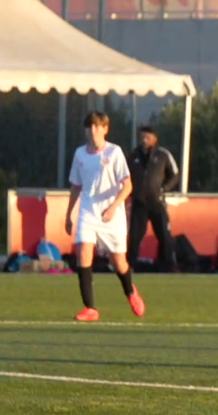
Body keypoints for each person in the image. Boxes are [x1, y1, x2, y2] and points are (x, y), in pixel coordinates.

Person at [66, 112, 144, 322]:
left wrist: (113, 207)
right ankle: (90, 308)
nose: (93, 130)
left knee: (118, 261)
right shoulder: (80, 154)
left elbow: (128, 186)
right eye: (89, 126)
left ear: (105, 129)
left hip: (112, 215)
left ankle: (130, 291)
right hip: (88, 211)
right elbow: (76, 186)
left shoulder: (114, 152)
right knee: (83, 253)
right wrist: (69, 214)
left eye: (97, 126)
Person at [126, 125, 180, 272]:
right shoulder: (133, 156)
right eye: (142, 137)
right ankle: (130, 267)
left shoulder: (163, 155)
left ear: (155, 139)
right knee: (135, 237)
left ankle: (169, 266)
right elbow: (125, 176)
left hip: (157, 203)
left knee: (165, 236)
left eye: (147, 137)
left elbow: (175, 175)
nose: (144, 140)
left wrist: (164, 189)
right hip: (139, 203)